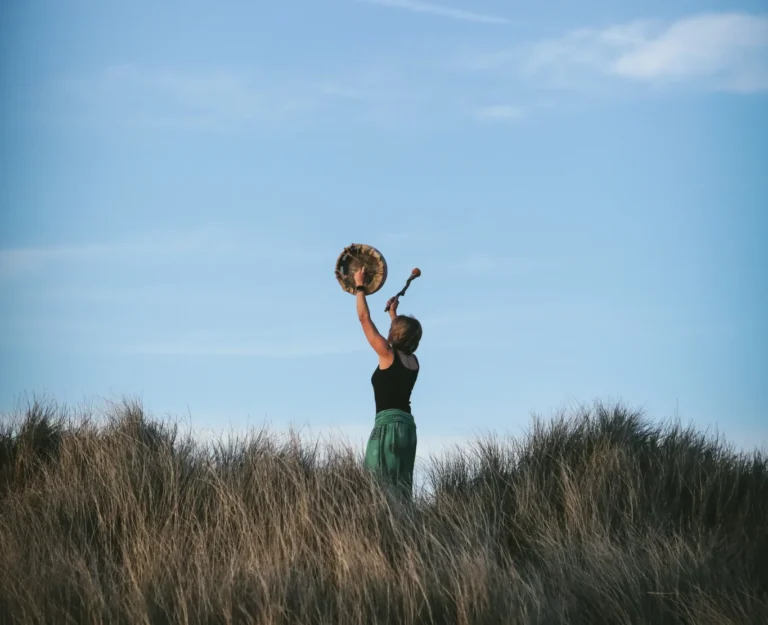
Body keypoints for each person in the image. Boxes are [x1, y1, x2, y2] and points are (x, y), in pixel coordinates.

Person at [353, 266, 422, 498]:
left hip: (388, 427)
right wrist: (394, 314)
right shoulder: (413, 362)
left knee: (376, 489)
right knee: (401, 491)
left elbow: (364, 319)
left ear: (395, 334)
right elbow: (401, 339)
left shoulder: (387, 355)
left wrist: (359, 286)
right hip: (408, 429)